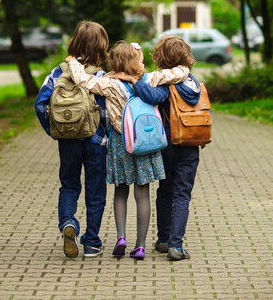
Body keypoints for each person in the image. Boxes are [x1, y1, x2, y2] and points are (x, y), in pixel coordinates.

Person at [65, 41, 189, 260]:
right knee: (142, 194)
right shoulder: (148, 79)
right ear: (134, 63)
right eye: (141, 60)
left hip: (120, 143)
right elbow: (181, 72)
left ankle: (121, 237)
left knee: (120, 192)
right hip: (144, 143)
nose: (143, 64)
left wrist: (73, 62)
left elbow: (82, 80)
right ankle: (140, 246)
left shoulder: (108, 83)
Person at [34, 21, 109, 258]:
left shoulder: (58, 72)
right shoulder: (101, 76)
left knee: (69, 185)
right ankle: (92, 243)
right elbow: (109, 111)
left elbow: (40, 104)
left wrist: (54, 130)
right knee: (95, 191)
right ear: (101, 46)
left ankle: (68, 223)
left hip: (67, 140)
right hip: (97, 142)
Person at [132, 36, 202, 261]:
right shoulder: (194, 83)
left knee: (165, 190)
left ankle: (164, 239)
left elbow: (150, 95)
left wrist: (138, 80)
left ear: (161, 58)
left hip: (167, 146)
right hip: (190, 144)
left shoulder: (165, 86)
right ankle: (176, 245)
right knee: (182, 194)